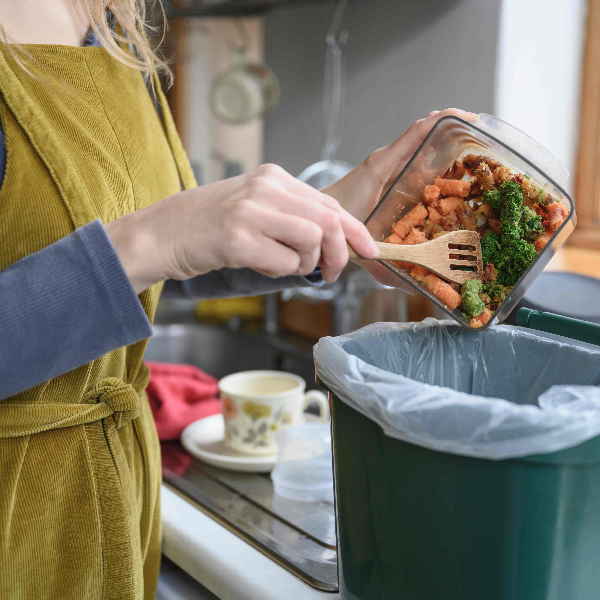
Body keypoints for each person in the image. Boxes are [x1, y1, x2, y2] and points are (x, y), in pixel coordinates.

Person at [0, 1, 476, 598]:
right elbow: (145, 248)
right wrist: (149, 239)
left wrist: (333, 213)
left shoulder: (114, 23)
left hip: (111, 505)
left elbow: (167, 266)